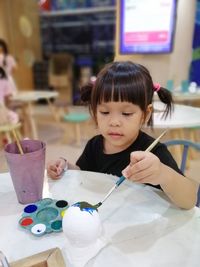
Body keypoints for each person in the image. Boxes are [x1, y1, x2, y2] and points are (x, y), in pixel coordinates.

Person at [47, 61, 198, 209]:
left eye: (126, 113)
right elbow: (83, 174)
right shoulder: (95, 144)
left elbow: (190, 200)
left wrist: (163, 174)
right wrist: (66, 167)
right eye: (105, 112)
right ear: (94, 111)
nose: (114, 122)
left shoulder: (154, 152)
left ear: (145, 114)